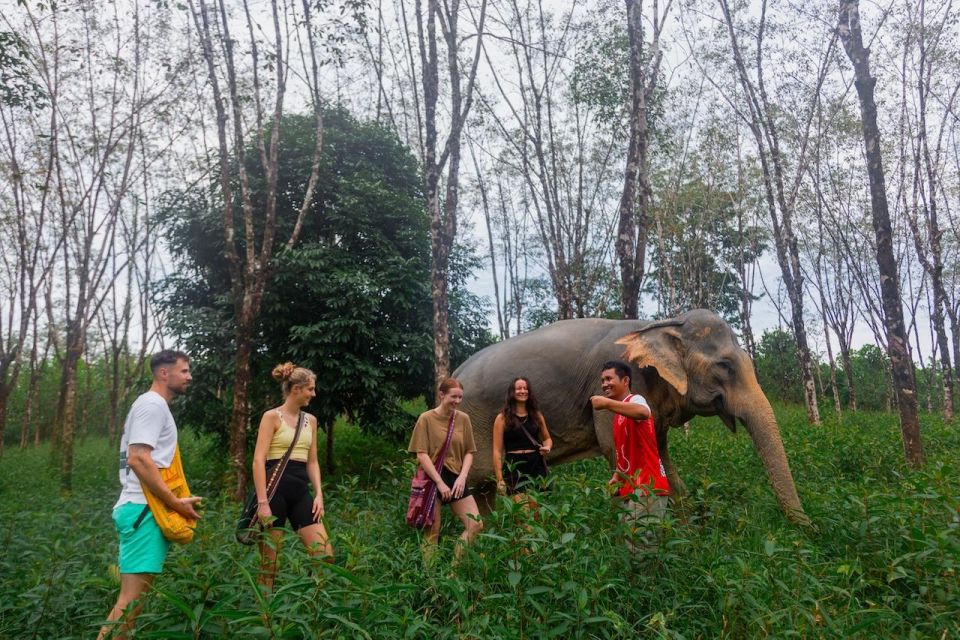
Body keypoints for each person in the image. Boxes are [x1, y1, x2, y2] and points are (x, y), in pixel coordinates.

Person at [99, 350, 201, 640]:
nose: (189, 376)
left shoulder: (153, 405)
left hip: (141, 510)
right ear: (164, 373)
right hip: (144, 510)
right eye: (184, 371)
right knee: (130, 602)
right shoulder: (152, 405)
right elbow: (139, 458)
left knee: (134, 603)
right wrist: (174, 502)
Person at [252, 362, 333, 591]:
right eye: (310, 389)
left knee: (324, 556)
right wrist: (262, 502)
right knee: (270, 565)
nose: (313, 394)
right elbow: (259, 460)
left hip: (300, 492)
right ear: (296, 389)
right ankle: (264, 617)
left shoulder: (311, 421)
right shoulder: (272, 417)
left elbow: (313, 461)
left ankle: (313, 605)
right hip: (273, 492)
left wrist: (319, 494)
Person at [590, 360, 670, 538]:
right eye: (602, 380)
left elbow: (643, 412)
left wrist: (606, 404)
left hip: (648, 486)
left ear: (625, 381)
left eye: (609, 379)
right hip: (631, 488)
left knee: (641, 546)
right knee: (630, 544)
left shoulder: (635, 400)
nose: (604, 384)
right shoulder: (620, 415)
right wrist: (617, 475)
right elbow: (625, 452)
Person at [407, 377, 483, 558]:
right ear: (442, 395)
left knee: (475, 524)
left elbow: (469, 452)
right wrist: (440, 482)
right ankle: (432, 580)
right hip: (433, 478)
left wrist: (463, 477)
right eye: (453, 397)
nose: (457, 402)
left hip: (456, 477)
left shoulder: (463, 419)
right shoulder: (426, 419)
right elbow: (421, 454)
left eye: (460, 398)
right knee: (433, 530)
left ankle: (453, 572)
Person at [492, 377, 553, 509]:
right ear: (512, 392)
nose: (522, 391)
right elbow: (497, 450)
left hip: (535, 465)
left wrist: (547, 447)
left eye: (525, 388)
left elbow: (547, 438)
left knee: (536, 513)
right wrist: (500, 479)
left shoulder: (536, 415)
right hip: (514, 466)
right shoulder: (502, 418)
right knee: (522, 513)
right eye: (519, 388)